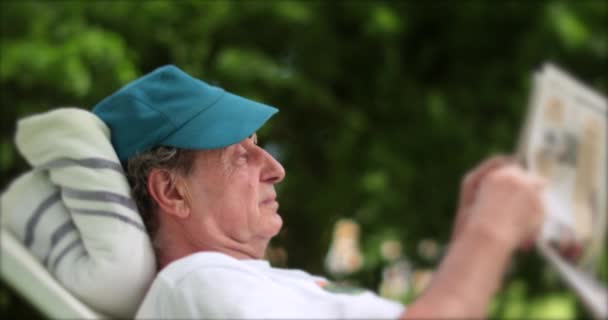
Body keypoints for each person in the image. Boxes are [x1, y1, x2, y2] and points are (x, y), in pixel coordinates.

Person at [92, 65, 545, 319]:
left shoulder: (250, 284)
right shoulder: (198, 283)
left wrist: (469, 244)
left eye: (260, 147)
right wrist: (489, 234)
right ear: (171, 192)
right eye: (239, 154)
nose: (275, 168)